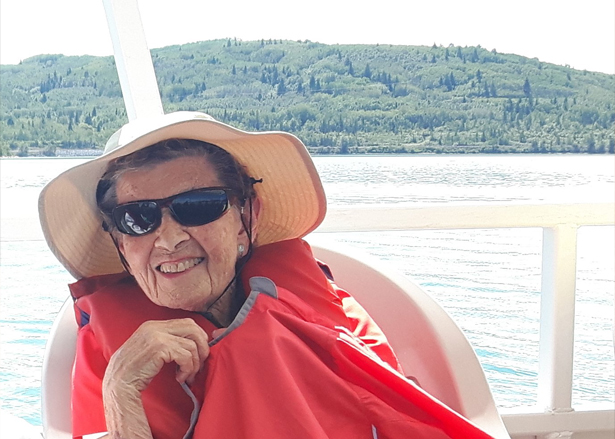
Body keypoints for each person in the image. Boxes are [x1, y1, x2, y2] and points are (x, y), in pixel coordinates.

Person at [39, 112, 494, 439]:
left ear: (246, 217)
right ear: (120, 242)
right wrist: (122, 394)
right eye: (137, 218)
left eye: (198, 206)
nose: (168, 238)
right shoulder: (110, 355)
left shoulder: (331, 318)